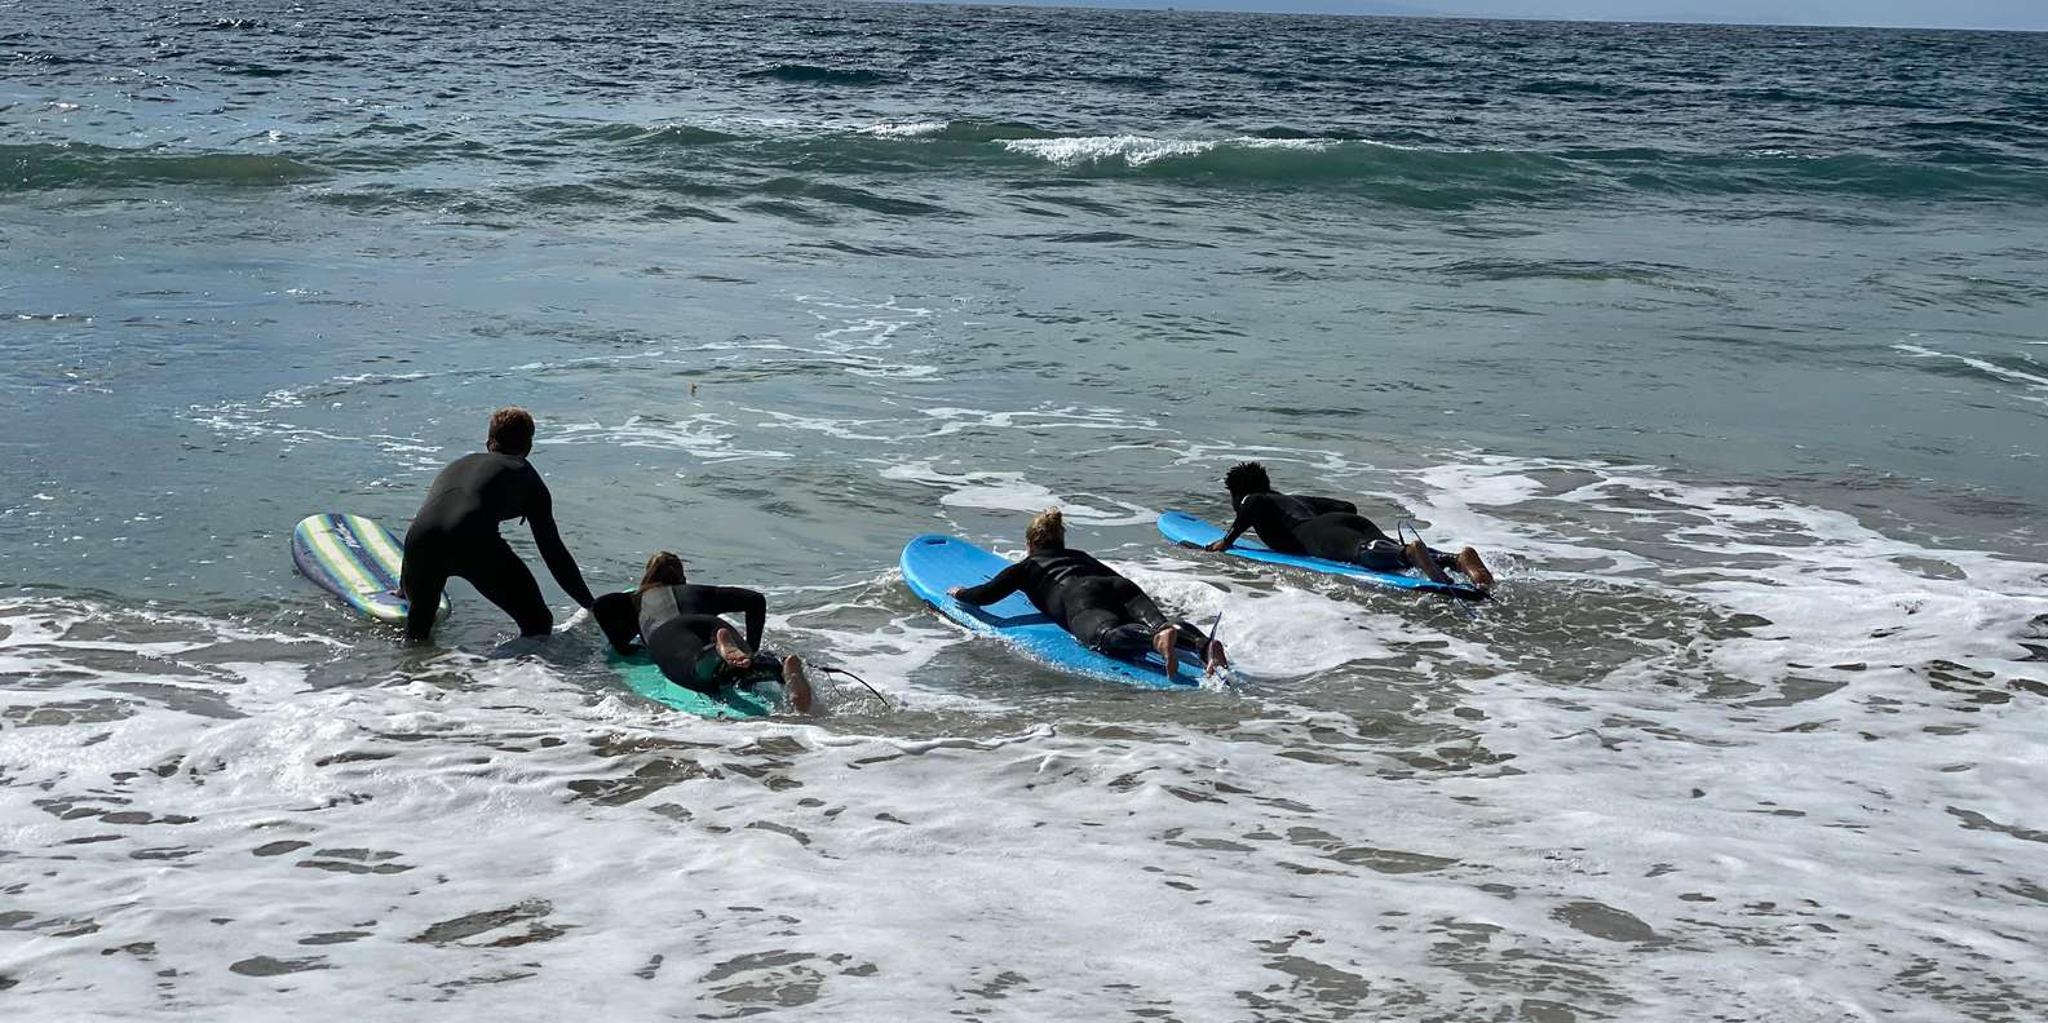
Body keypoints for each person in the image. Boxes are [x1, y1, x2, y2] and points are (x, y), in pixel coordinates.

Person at [949, 508, 1227, 678]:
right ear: (1061, 540)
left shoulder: (1027, 566)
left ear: (1031, 543)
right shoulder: (1079, 555)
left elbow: (986, 594)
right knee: (1162, 624)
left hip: (1080, 598)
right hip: (1118, 586)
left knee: (1104, 636)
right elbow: (1117, 581)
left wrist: (961, 593)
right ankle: (1202, 645)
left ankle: (1155, 640)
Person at [400, 406, 596, 642]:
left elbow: (431, 521)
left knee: (418, 634)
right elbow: (553, 552)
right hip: (474, 542)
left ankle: (410, 674)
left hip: (420, 541)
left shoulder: (459, 464)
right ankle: (517, 675)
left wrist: (406, 585)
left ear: (489, 442)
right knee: (538, 622)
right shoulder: (526, 476)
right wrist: (590, 605)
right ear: (529, 445)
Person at [1205, 461, 1494, 588]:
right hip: (1344, 521)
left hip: (1316, 533)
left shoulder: (1252, 500)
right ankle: (1457, 560)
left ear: (1237, 493)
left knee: (1366, 554)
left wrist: (1226, 542)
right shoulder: (1293, 499)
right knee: (1383, 549)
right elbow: (1346, 507)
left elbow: (1250, 505)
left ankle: (1411, 553)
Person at [592, 551, 814, 712]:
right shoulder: (700, 592)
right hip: (713, 625)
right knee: (745, 667)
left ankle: (717, 653)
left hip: (669, 633)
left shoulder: (635, 599)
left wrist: (621, 644)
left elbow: (600, 605)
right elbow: (756, 600)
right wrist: (752, 646)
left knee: (697, 671)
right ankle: (779, 666)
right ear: (683, 579)